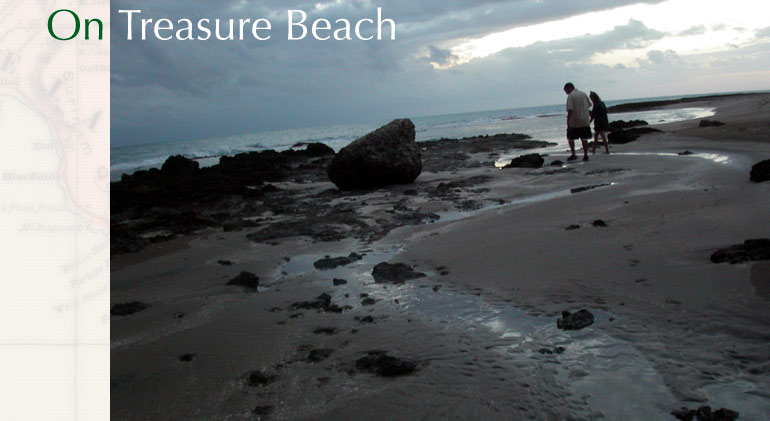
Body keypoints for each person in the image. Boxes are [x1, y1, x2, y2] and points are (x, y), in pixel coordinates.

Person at [563, 82, 592, 161]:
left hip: (575, 121)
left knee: (570, 138)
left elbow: (570, 110)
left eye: (566, 91)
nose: (566, 93)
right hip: (585, 120)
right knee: (584, 139)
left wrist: (568, 121)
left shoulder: (571, 96)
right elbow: (589, 106)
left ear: (569, 88)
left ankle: (573, 154)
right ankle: (585, 155)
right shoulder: (583, 94)